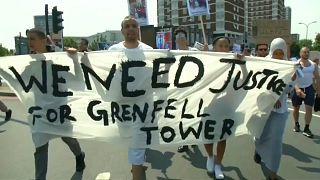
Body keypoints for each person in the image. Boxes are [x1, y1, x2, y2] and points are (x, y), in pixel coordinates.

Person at [27, 28, 86, 179]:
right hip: (40, 115)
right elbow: (19, 81)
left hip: (60, 112)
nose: (29, 43)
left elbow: (78, 80)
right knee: (40, 149)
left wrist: (74, 59)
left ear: (44, 41)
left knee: (69, 139)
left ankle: (79, 156)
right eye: (28, 39)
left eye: (32, 39)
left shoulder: (59, 59)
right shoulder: (28, 63)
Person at [108, 16, 152, 180]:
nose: (131, 29)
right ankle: (138, 166)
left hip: (142, 106)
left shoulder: (148, 51)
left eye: (134, 25)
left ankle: (137, 170)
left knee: (136, 143)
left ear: (138, 29)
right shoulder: (113, 51)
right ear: (122, 31)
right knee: (129, 138)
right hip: (121, 107)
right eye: (127, 26)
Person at [204, 36, 245, 179]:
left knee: (222, 138)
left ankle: (218, 164)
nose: (223, 48)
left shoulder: (235, 64)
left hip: (226, 106)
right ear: (214, 47)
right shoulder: (207, 62)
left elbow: (244, 81)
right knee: (208, 136)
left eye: (226, 46)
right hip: (208, 106)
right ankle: (210, 156)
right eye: (220, 46)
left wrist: (242, 64)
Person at [254, 38, 293, 180]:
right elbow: (258, 84)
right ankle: (258, 150)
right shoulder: (264, 64)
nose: (278, 56)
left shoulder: (290, 66)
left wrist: (293, 78)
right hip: (264, 108)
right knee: (260, 136)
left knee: (276, 142)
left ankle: (273, 172)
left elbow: (290, 88)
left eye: (280, 53)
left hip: (280, 111)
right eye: (275, 52)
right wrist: (272, 96)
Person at [174, 27, 198, 153]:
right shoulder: (173, 54)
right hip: (180, 92)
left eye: (182, 37)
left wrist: (206, 51)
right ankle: (184, 142)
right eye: (178, 38)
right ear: (175, 41)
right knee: (181, 117)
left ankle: (193, 138)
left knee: (193, 116)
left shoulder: (195, 51)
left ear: (186, 39)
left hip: (194, 90)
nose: (180, 40)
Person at [291, 47, 320, 138]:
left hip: (309, 88)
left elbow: (317, 78)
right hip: (298, 88)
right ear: (300, 53)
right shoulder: (296, 64)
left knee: (309, 109)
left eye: (308, 52)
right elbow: (292, 79)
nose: (306, 54)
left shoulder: (313, 65)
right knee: (296, 108)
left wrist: (318, 90)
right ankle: (296, 124)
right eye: (304, 52)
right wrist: (297, 89)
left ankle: (307, 128)